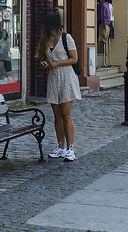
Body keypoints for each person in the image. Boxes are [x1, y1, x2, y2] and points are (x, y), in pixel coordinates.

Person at [37, 8, 81, 161]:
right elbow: (42, 56)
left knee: (66, 114)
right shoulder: (45, 39)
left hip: (66, 77)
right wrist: (45, 63)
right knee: (56, 114)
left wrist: (58, 63)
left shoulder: (66, 38)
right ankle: (60, 146)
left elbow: (74, 58)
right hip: (53, 78)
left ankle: (70, 148)